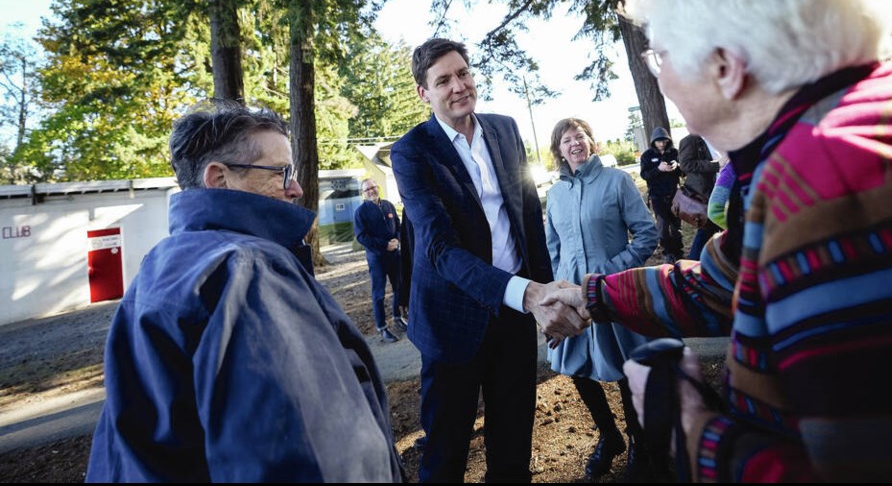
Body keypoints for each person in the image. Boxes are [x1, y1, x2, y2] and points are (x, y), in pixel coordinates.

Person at [547, 0, 892, 482]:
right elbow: (724, 282)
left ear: (724, 67)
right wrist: (591, 295)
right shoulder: (854, 130)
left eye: (661, 56)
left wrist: (687, 425)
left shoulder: (832, 179)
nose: (661, 76)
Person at [85, 101, 404, 482]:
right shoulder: (247, 270)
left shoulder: (160, 265)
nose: (297, 188)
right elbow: (307, 456)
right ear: (219, 179)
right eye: (282, 173)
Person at [390, 37, 589, 483]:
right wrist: (530, 293)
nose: (458, 86)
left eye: (463, 73)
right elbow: (439, 249)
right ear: (424, 93)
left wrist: (547, 296)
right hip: (450, 320)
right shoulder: (410, 152)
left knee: (514, 445)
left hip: (516, 313)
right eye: (443, 80)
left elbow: (528, 217)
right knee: (446, 452)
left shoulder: (504, 128)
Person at [544, 117, 659, 481]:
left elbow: (645, 234)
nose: (575, 144)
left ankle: (640, 441)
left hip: (611, 293)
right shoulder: (555, 194)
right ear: (558, 151)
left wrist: (609, 275)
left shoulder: (617, 181)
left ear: (591, 142)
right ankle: (609, 437)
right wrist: (556, 290)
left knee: (625, 370)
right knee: (576, 368)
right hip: (571, 298)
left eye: (580, 137)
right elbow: (552, 246)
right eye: (567, 140)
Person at [353, 177, 407, 343]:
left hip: (394, 256)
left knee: (399, 287)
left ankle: (398, 317)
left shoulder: (388, 205)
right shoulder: (361, 212)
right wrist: (385, 245)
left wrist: (397, 240)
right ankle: (382, 327)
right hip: (377, 258)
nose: (371, 191)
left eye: (373, 187)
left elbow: (398, 225)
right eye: (367, 189)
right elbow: (362, 237)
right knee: (379, 293)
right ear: (364, 193)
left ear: (377, 188)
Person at [639, 126, 684, 264]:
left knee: (676, 226)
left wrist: (678, 166)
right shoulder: (647, 156)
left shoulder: (674, 152)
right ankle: (668, 252)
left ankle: (679, 252)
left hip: (674, 195)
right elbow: (644, 175)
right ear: (653, 142)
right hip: (657, 196)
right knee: (663, 226)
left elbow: (683, 172)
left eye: (664, 141)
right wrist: (658, 169)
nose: (662, 144)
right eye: (659, 141)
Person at [677, 133, 723, 259]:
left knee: (715, 228)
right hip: (705, 193)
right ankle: (693, 263)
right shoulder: (690, 140)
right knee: (707, 228)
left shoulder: (716, 136)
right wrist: (716, 165)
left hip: (721, 189)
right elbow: (686, 164)